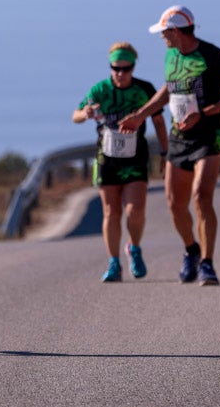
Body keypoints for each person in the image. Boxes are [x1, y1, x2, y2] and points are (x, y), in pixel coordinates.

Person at [119, 6, 220, 286]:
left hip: (209, 135)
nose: (161, 37)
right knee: (175, 204)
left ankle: (208, 265)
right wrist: (141, 115)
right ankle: (191, 251)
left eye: (163, 32)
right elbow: (168, 89)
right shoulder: (171, 54)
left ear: (175, 31)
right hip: (179, 138)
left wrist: (206, 111)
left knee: (201, 197)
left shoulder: (213, 56)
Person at [72, 42, 169, 283]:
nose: (120, 73)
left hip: (135, 158)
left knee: (135, 211)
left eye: (126, 69)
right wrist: (86, 114)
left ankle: (133, 248)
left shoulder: (144, 89)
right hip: (107, 158)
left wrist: (166, 154)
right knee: (110, 212)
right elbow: (76, 115)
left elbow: (158, 122)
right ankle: (113, 262)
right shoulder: (100, 90)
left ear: (133, 68)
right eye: (115, 68)